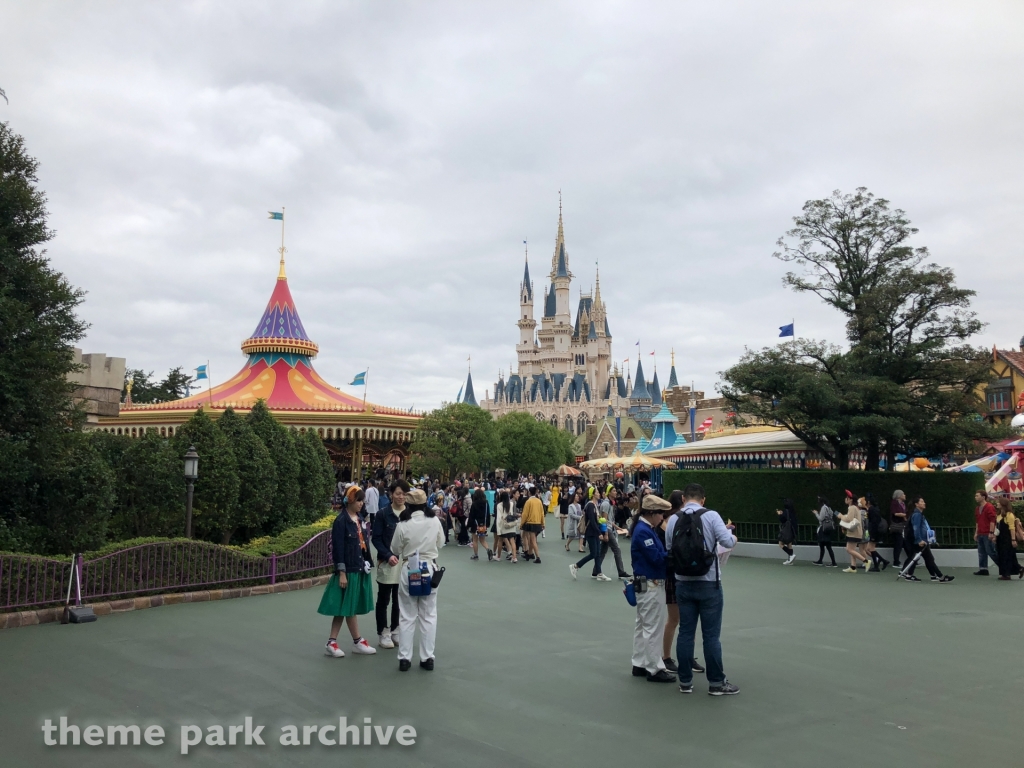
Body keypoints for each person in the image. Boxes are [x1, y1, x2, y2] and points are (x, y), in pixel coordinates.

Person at [664, 483, 738, 695]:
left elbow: (670, 548)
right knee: (711, 636)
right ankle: (716, 683)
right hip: (708, 582)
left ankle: (685, 682)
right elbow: (726, 541)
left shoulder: (673, 520)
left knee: (686, 632)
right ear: (703, 499)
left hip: (682, 583)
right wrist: (733, 536)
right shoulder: (712, 515)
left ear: (684, 499)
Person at [390, 488, 446, 671]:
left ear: (409, 504)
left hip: (409, 568)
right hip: (429, 568)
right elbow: (441, 543)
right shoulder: (434, 521)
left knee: (406, 615)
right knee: (428, 615)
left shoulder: (403, 523)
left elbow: (395, 548)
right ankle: (427, 657)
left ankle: (404, 658)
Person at [319, 488, 377, 658]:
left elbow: (363, 543)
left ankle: (333, 642)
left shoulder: (359, 519)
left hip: (359, 567)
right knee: (348, 606)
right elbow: (338, 549)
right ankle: (356, 641)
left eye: (362, 501)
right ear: (350, 500)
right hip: (349, 570)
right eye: (358, 500)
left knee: (344, 607)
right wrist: (341, 571)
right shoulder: (341, 521)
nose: (361, 504)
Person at [630, 494, 676, 683]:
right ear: (652, 513)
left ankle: (640, 663)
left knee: (643, 625)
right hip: (651, 583)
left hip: (645, 582)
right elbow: (656, 558)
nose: (662, 519)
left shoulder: (644, 529)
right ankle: (655, 668)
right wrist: (672, 557)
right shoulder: (644, 531)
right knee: (652, 627)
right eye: (661, 515)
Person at [370, 480, 406, 649]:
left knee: (400, 600)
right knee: (384, 599)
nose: (401, 496)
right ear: (391, 494)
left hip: (405, 562)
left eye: (404, 493)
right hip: (387, 562)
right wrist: (387, 555)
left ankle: (395, 630)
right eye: (398, 493)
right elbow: (376, 538)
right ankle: (383, 632)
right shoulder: (383, 514)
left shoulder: (410, 514)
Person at [900, 496, 954, 583]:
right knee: (926, 558)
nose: (924, 503)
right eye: (922, 502)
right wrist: (919, 540)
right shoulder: (917, 515)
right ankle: (939, 576)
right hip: (920, 541)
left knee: (921, 558)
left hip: (921, 541)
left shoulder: (918, 514)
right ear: (916, 504)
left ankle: (910, 575)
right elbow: (916, 528)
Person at [570, 491, 610, 581]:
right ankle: (576, 566)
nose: (599, 494)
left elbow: (596, 520)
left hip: (594, 532)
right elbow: (592, 521)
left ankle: (599, 573)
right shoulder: (590, 505)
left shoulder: (595, 505)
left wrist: (601, 521)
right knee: (593, 554)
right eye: (597, 493)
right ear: (592, 495)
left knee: (597, 554)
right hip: (591, 533)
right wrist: (599, 533)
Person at [599, 488, 631, 578]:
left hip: (609, 528)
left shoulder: (610, 503)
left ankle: (596, 570)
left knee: (603, 551)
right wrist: (605, 533)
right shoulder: (606, 504)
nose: (616, 492)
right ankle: (621, 572)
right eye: (613, 491)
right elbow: (604, 520)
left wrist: (617, 527)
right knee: (617, 549)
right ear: (609, 492)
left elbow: (609, 519)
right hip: (607, 530)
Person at [837, 491, 869, 573]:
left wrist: (840, 516)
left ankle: (866, 561)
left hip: (853, 532)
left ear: (850, 500)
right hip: (856, 532)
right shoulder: (855, 507)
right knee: (852, 549)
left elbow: (848, 519)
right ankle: (853, 567)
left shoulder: (851, 508)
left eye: (846, 498)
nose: (845, 499)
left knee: (849, 549)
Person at [994, 497, 1021, 580]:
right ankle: (1015, 570)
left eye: (999, 503)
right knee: (1002, 555)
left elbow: (1011, 528)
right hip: (1000, 538)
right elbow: (997, 526)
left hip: (1007, 538)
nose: (997, 504)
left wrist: (1013, 539)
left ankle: (1007, 574)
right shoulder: (998, 514)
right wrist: (995, 536)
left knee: (1007, 555)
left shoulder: (1009, 515)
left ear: (1003, 504)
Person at [974, 490, 998, 576]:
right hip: (981, 532)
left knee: (991, 551)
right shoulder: (977, 509)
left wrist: (991, 532)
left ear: (983, 497)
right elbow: (977, 521)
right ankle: (983, 569)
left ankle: (1003, 566)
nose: (975, 497)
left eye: (977, 496)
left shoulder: (989, 507)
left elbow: (992, 520)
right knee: (981, 552)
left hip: (987, 532)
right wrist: (976, 533)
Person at [520, 486, 546, 564]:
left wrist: (522, 523)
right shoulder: (539, 501)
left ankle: (538, 557)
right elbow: (542, 512)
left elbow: (525, 514)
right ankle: (529, 554)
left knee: (533, 540)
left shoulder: (528, 501)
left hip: (531, 523)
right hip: (538, 522)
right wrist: (543, 523)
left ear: (529, 493)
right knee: (532, 540)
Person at [864, 494, 890, 572]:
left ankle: (881, 562)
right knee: (871, 548)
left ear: (868, 502)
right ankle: (879, 563)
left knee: (870, 548)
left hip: (874, 531)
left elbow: (873, 522)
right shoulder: (876, 509)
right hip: (877, 531)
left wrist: (872, 534)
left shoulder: (871, 510)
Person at [811, 496, 838, 567]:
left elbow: (821, 518)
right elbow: (832, 515)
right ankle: (830, 561)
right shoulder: (829, 508)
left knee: (823, 546)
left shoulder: (823, 508)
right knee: (828, 546)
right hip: (829, 528)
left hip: (823, 528)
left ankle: (827, 562)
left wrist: (816, 513)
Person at [468, 488, 493, 561]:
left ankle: (476, 555)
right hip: (483, 524)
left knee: (475, 540)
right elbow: (488, 514)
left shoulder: (474, 504)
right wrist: (487, 524)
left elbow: (471, 515)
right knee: (483, 540)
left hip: (475, 524)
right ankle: (488, 549)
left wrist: (469, 525)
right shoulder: (486, 503)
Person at [494, 490, 519, 563]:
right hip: (511, 524)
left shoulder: (499, 505)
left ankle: (498, 556)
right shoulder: (511, 504)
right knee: (512, 540)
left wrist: (498, 529)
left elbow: (499, 518)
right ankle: (514, 557)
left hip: (503, 525)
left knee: (500, 540)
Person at [889, 490, 908, 568]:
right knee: (898, 544)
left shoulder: (903, 504)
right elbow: (895, 513)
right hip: (897, 527)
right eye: (903, 494)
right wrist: (905, 515)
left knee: (905, 543)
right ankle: (896, 562)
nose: (904, 495)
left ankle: (912, 559)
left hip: (902, 526)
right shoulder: (895, 503)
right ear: (899, 495)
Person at [776, 499, 797, 565]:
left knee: (780, 544)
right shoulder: (792, 511)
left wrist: (779, 514)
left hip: (786, 530)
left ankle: (791, 555)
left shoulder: (786, 511)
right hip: (792, 529)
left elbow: (782, 520)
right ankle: (790, 560)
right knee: (789, 544)